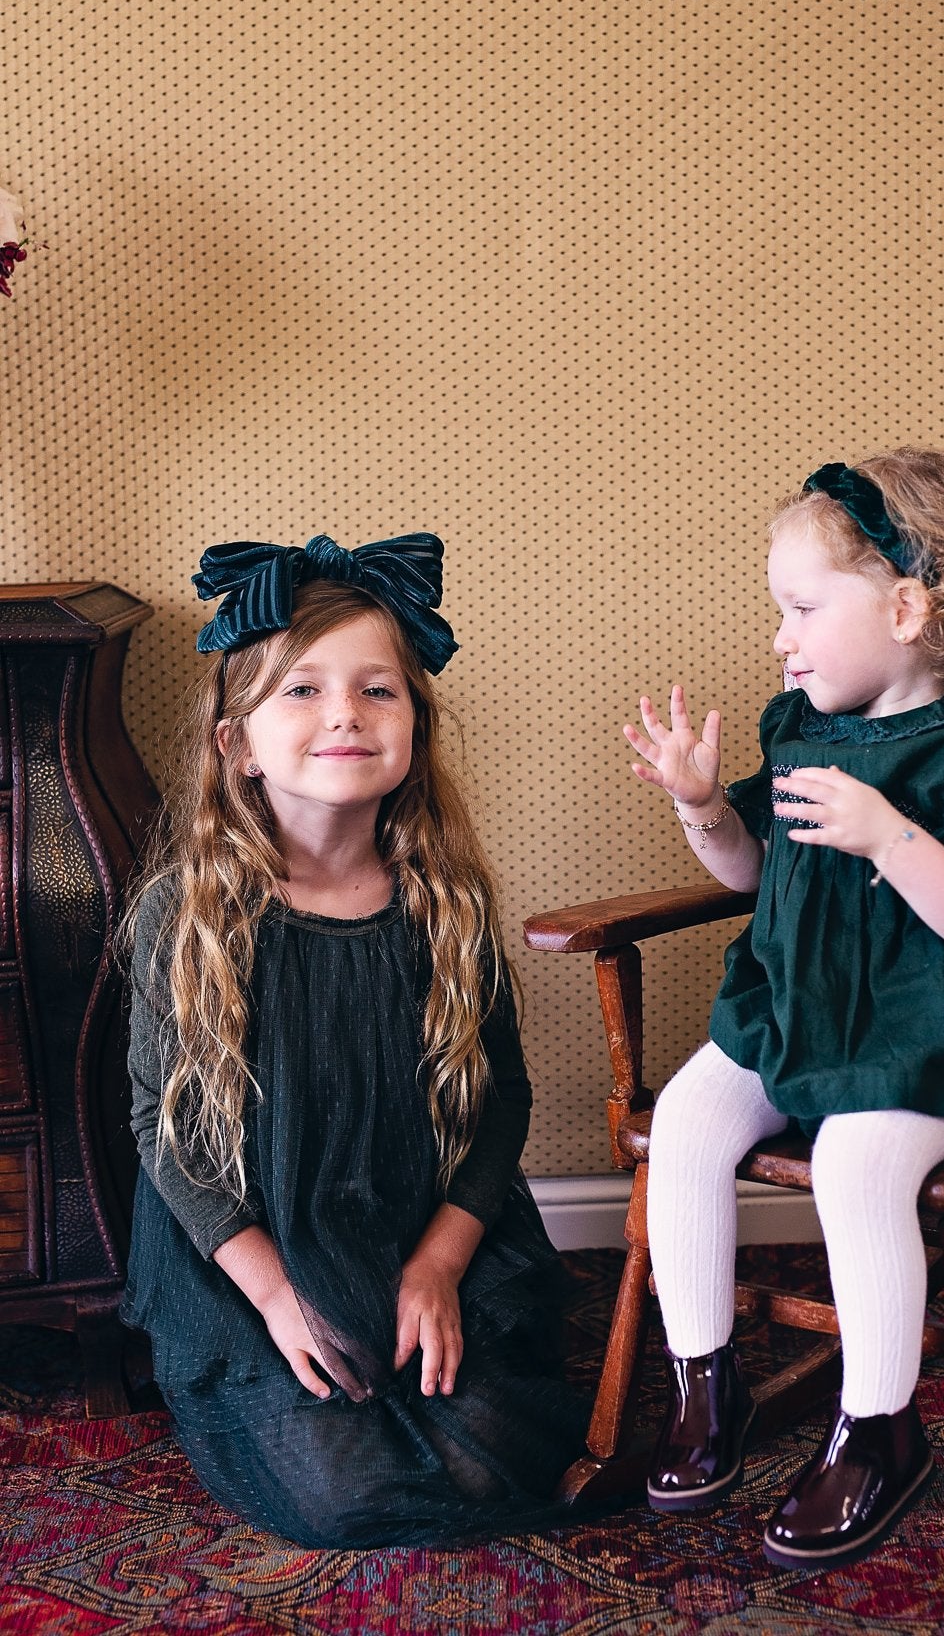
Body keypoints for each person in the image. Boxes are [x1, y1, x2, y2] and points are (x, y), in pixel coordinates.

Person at [622, 449, 944, 1570]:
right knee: (686, 1125)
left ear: (908, 609)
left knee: (857, 1168)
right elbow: (752, 875)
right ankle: (705, 1383)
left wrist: (890, 836)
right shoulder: (798, 727)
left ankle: (878, 1430)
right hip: (788, 1013)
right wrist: (703, 807)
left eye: (803, 608)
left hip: (919, 1042)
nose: (782, 637)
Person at [122, 532, 585, 1548]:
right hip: (261, 1249)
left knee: (495, 1454)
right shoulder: (188, 916)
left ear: (416, 725)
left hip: (415, 1222)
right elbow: (167, 1134)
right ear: (236, 744)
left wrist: (439, 1263)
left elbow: (502, 1097)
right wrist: (278, 1298)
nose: (345, 713)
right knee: (346, 1491)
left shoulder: (446, 904)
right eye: (303, 690)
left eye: (378, 690)